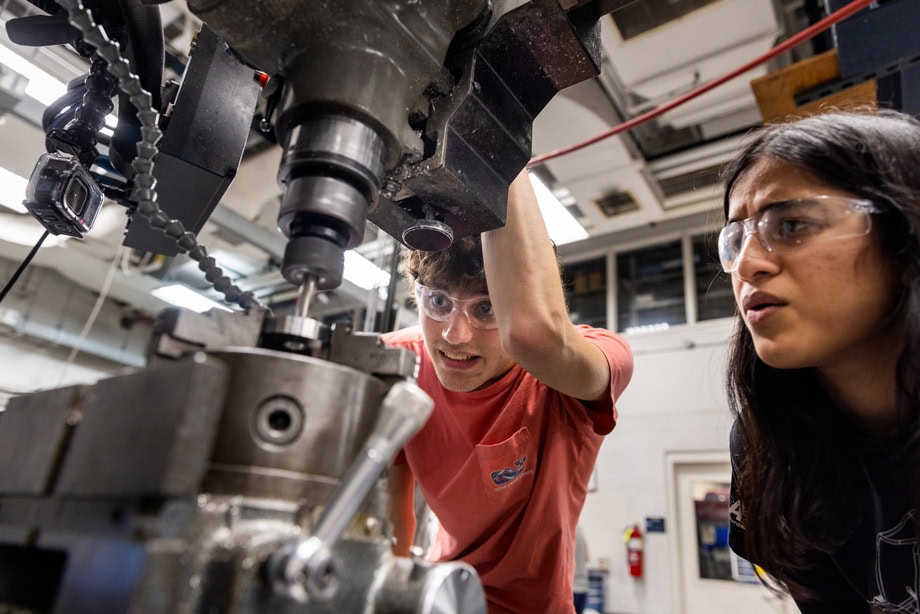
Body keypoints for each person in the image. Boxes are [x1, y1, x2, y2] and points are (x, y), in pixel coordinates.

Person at [382, 169, 633, 613]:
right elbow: (396, 510)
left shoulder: (577, 372)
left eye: (486, 309)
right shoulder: (401, 363)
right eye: (437, 301)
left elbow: (536, 335)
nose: (455, 335)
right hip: (442, 595)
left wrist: (498, 152)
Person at [718, 109, 920, 613]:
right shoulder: (764, 443)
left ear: (902, 232)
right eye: (736, 238)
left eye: (791, 224)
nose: (747, 264)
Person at [573, 523, 589, 614]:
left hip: (570, 588)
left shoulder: (565, 528)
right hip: (583, 586)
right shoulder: (579, 528)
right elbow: (587, 557)